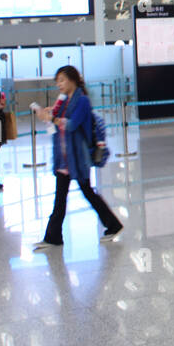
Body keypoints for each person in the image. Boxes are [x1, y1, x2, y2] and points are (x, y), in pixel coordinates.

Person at [32, 65, 123, 251]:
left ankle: (113, 225)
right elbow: (57, 121)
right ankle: (53, 237)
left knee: (87, 192)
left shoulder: (82, 101)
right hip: (64, 157)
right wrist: (47, 115)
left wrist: (52, 119)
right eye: (57, 81)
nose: (59, 84)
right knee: (61, 198)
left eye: (62, 80)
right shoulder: (64, 100)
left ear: (73, 80)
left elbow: (72, 125)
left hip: (77, 157)